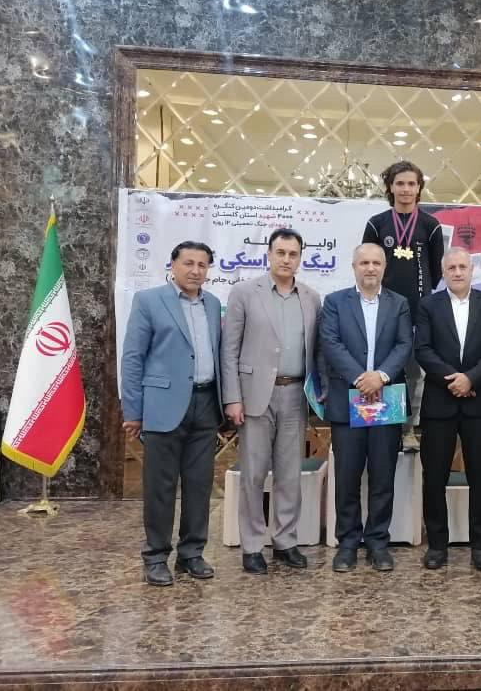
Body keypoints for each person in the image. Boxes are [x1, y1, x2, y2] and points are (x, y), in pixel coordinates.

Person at [221, 228, 324, 575]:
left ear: (300, 258)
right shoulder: (244, 293)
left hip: (296, 395)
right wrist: (232, 398)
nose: (286, 260)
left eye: (293, 254)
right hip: (254, 396)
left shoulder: (311, 298)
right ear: (268, 254)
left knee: (289, 474)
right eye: (280, 253)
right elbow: (229, 350)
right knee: (252, 473)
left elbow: (316, 350)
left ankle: (285, 541)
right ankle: (252, 546)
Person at [120, 241, 222, 587]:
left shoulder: (213, 304)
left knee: (199, 485)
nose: (195, 270)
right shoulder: (149, 301)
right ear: (173, 265)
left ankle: (191, 553)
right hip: (162, 406)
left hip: (205, 404)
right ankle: (156, 557)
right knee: (160, 487)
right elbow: (133, 358)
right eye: (188, 263)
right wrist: (133, 411)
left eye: (202, 265)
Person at [320, 243, 413, 573]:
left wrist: (381, 376)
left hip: (385, 399)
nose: (370, 268)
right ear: (354, 267)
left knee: (383, 475)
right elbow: (331, 343)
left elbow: (404, 344)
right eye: (364, 263)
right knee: (347, 476)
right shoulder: (335, 302)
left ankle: (377, 543)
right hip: (348, 399)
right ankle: (347, 543)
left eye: (376, 262)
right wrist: (362, 379)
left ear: (384, 267)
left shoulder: (399, 303)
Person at [414, 247, 481, 572]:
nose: (457, 272)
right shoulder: (429, 305)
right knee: (434, 476)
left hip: (478, 404)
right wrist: (454, 380)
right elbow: (423, 349)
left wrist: (471, 379)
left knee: (480, 476)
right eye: (451, 267)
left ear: (471, 270)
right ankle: (437, 546)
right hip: (440, 403)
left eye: (462, 267)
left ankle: (480, 546)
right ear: (443, 272)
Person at [362, 161, 445, 447]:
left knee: (413, 375)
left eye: (411, 183)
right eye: (400, 183)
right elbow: (367, 264)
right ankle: (378, 427)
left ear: (419, 188)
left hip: (418, 313)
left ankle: (406, 430)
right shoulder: (376, 223)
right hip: (381, 311)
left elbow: (436, 272)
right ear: (390, 187)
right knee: (381, 369)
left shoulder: (431, 226)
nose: (406, 189)